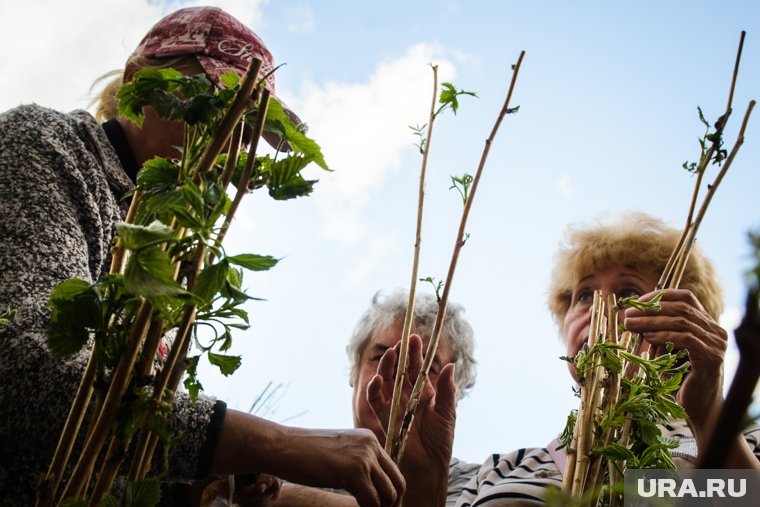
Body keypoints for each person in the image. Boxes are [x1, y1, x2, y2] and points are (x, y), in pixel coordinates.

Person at [0, 7, 404, 507]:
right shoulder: (45, 148)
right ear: (136, 85)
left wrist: (213, 476)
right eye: (213, 107)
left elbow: (128, 443)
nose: (231, 146)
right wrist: (273, 443)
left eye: (247, 129)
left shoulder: (167, 250)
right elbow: (22, 372)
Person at [455, 212, 760, 506]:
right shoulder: (502, 470)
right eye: (584, 295)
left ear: (684, 319)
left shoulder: (747, 443)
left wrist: (707, 412)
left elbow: (746, 497)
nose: (599, 306)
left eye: (628, 290)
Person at [270, 289, 479, 506]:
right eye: (381, 357)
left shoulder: (480, 484)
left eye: (425, 368)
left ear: (454, 394)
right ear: (355, 373)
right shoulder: (278, 476)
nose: (398, 378)